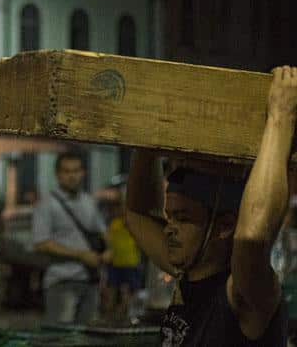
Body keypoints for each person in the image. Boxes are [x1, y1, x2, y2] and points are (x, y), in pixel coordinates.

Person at [125, 66, 295, 346]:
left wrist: (281, 118)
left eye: (183, 218)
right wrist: (148, 139)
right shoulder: (191, 269)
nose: (169, 229)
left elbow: (251, 237)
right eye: (170, 217)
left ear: (224, 226)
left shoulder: (244, 291)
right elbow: (137, 213)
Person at [33, 152, 110, 324]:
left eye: (76, 171)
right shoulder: (47, 204)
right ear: (58, 174)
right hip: (62, 282)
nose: (72, 176)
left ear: (83, 173)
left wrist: (108, 252)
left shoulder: (89, 201)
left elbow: (103, 233)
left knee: (87, 336)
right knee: (62, 338)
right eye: (67, 171)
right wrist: (81, 255)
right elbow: (41, 244)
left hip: (91, 281)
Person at [103, 192, 142, 324]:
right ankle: (111, 317)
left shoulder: (133, 222)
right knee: (112, 290)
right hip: (115, 262)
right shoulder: (114, 223)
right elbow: (109, 239)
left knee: (131, 291)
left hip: (131, 262)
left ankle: (123, 314)